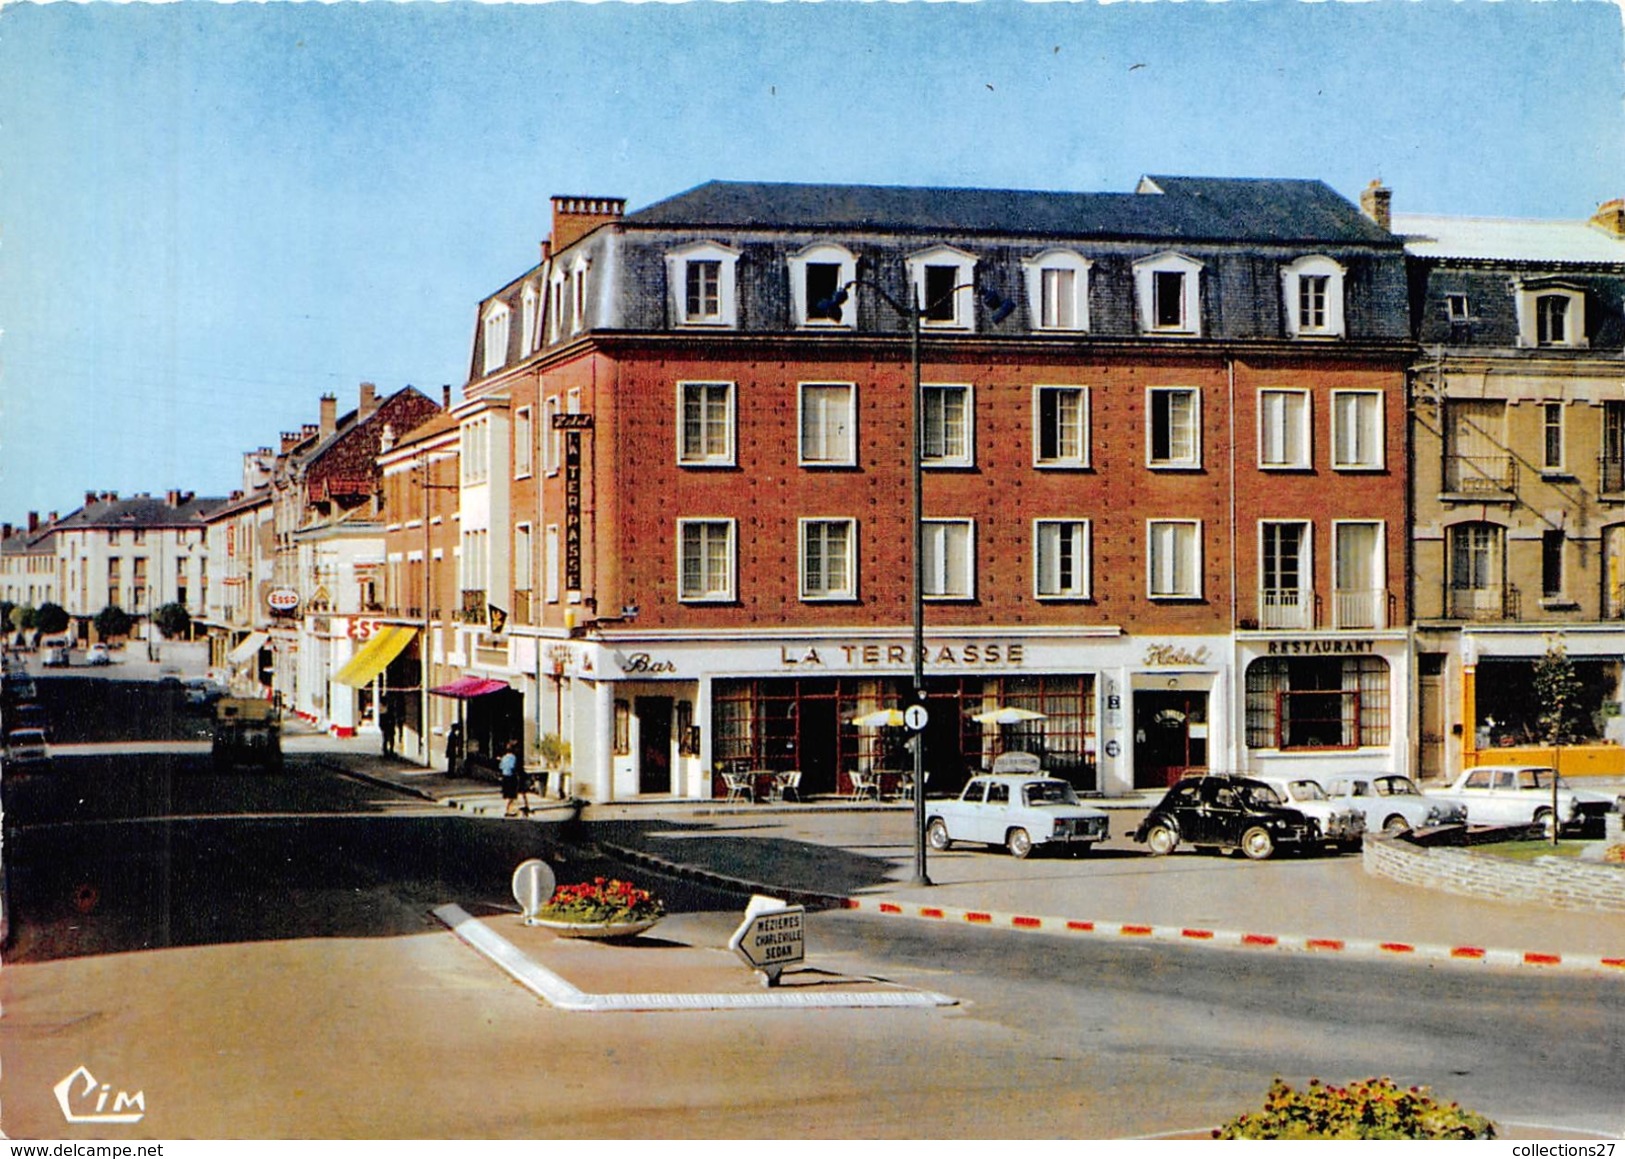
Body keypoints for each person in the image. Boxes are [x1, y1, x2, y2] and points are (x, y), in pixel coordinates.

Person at [500, 740, 521, 817]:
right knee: (512, 795)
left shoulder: (504, 757)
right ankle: (509, 809)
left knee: (507, 795)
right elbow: (513, 767)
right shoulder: (513, 758)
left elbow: (501, 767)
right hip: (511, 777)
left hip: (504, 777)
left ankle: (509, 809)